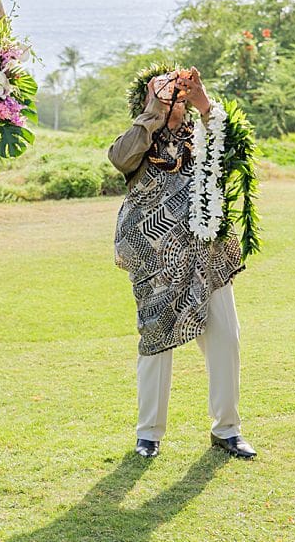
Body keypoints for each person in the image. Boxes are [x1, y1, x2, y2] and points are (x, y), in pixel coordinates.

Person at [107, 67, 256, 460]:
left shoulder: (206, 131)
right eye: (164, 87)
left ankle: (227, 430)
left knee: (226, 338)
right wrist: (154, 112)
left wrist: (203, 102)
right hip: (156, 260)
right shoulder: (140, 138)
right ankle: (149, 434)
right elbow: (119, 159)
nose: (175, 91)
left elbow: (237, 153)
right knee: (155, 342)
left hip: (208, 255)